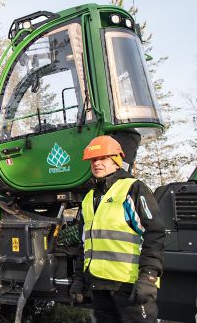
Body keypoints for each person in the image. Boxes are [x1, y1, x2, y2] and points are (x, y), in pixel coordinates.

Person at [69, 135, 165, 323]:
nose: (97, 163)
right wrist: (80, 279)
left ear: (116, 161)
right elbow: (85, 244)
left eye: (103, 158)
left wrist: (148, 277)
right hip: (99, 287)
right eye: (93, 159)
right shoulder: (89, 198)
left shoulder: (133, 189)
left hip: (130, 287)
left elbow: (154, 234)